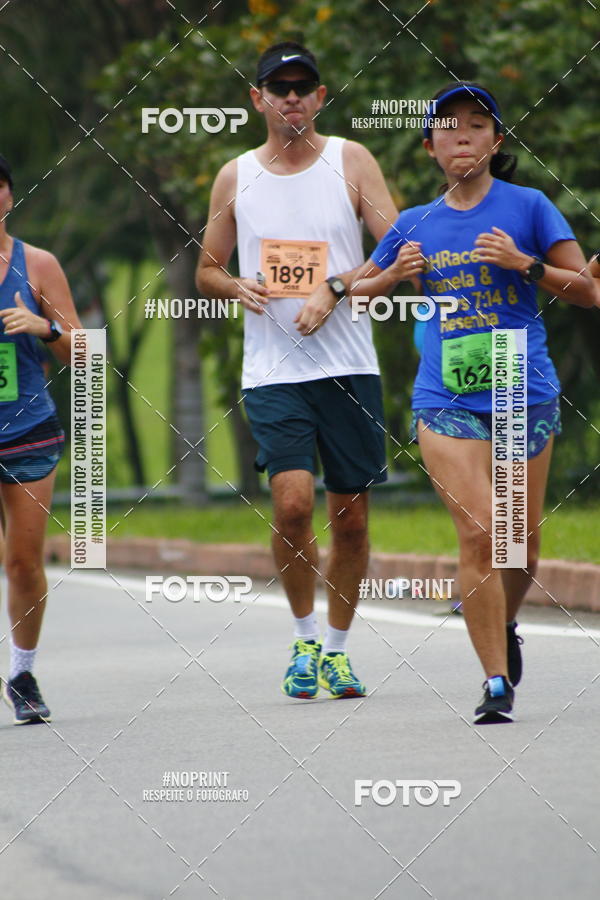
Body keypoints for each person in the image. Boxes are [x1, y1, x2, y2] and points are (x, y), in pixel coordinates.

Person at [349, 83, 596, 723]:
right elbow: (361, 296)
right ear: (430, 145)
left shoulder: (532, 207)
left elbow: (587, 291)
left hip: (521, 386)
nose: (464, 134)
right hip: (446, 396)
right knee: (483, 532)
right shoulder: (413, 224)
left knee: (522, 547)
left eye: (478, 124)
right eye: (449, 126)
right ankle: (494, 683)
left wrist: (527, 265)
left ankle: (503, 624)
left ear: (496, 141)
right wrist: (391, 279)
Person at [197, 42, 398, 699]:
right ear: (256, 98)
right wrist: (239, 288)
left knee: (353, 520)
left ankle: (338, 651)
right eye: (277, 87)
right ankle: (304, 638)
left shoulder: (351, 160)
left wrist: (336, 287)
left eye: (302, 87)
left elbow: (399, 256)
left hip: (348, 366)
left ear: (320, 97)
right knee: (292, 505)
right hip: (273, 369)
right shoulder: (235, 176)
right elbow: (207, 269)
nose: (291, 98)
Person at [0, 154, 82, 724]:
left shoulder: (39, 265)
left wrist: (44, 326)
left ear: (8, 196)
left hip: (27, 429)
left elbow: (83, 352)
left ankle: (23, 671)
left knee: (23, 561)